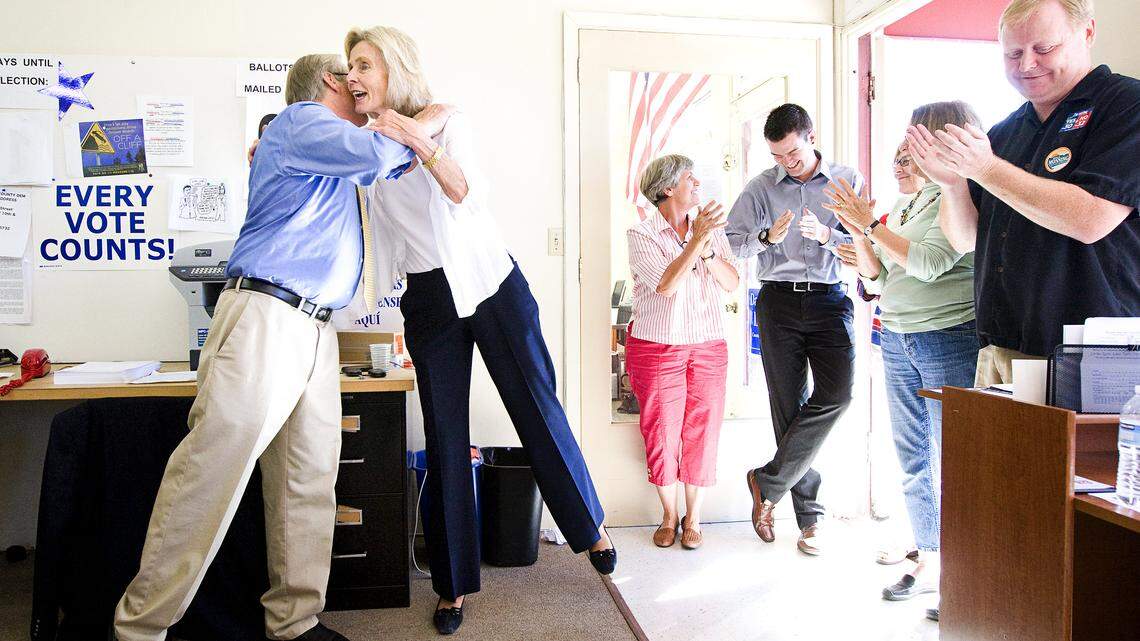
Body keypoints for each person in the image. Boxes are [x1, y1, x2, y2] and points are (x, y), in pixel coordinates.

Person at [112, 54, 448, 641]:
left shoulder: (319, 149)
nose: (361, 82)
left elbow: (383, 166)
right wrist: (436, 117)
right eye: (354, 72)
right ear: (329, 82)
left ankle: (294, 622)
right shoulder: (299, 121)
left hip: (316, 329)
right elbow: (380, 156)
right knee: (209, 473)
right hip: (267, 315)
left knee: (308, 478)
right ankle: (139, 629)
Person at [341, 25, 614, 635]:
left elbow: (464, 190)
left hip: (490, 282)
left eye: (363, 64)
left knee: (535, 408)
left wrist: (410, 129)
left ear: (395, 70)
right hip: (430, 297)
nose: (353, 75)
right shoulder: (364, 148)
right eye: (349, 66)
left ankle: (589, 525)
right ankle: (452, 586)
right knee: (443, 435)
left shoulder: (445, 121)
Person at [906, 0, 1140, 388]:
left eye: (1044, 49)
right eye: (1013, 53)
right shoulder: (1005, 132)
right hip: (1002, 348)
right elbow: (966, 239)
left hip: (1092, 354)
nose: (1026, 65)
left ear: (1087, 33)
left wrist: (984, 168)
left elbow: (1091, 220)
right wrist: (952, 183)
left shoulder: (1125, 106)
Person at [824, 101, 983, 615]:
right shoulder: (907, 205)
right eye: (898, 153)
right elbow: (878, 282)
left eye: (910, 152)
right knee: (913, 457)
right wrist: (858, 229)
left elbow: (930, 263)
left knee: (951, 457)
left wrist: (870, 224)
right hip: (896, 337)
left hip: (947, 338)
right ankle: (931, 559)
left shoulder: (955, 198)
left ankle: (965, 571)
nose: (900, 162)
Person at [726, 103, 864, 556]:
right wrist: (766, 238)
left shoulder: (847, 181)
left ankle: (766, 483)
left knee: (838, 395)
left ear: (811, 135)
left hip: (829, 299)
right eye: (777, 156)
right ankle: (810, 519)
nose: (786, 163)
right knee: (788, 406)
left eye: (793, 153)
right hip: (778, 302)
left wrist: (829, 238)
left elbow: (867, 243)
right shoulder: (760, 188)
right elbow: (732, 244)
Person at [625, 154, 740, 551]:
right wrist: (695, 242)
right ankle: (669, 515)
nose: (697, 183)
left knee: (702, 430)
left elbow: (731, 282)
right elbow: (666, 285)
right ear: (667, 188)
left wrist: (707, 249)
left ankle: (694, 516)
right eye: (690, 177)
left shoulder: (710, 230)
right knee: (662, 431)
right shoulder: (641, 234)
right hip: (657, 346)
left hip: (708, 343)